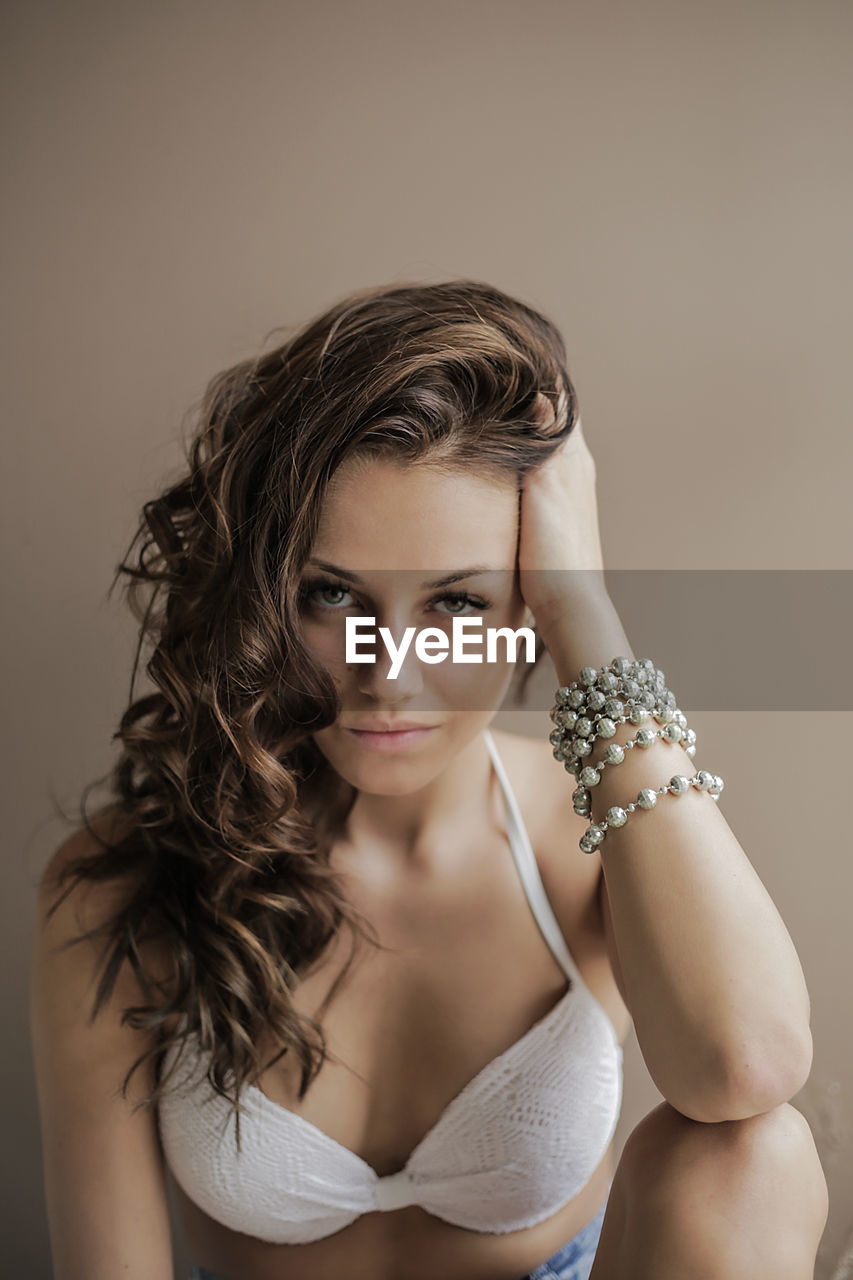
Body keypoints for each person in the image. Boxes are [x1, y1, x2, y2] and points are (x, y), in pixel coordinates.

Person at [30, 279, 828, 1280]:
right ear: (265, 592)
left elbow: (747, 1066)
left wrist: (583, 611)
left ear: (525, 601)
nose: (386, 677)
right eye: (331, 594)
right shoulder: (119, 887)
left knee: (752, 1154)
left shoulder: (593, 830)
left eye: (455, 600)